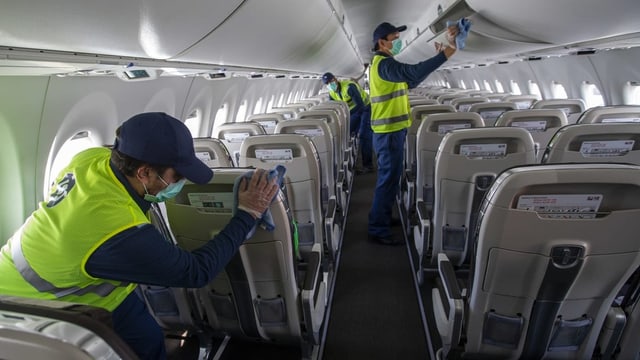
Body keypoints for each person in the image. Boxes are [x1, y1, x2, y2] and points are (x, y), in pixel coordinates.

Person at [0, 112, 279, 359]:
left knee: (148, 339)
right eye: (177, 176)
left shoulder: (91, 157)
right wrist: (247, 213)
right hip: (37, 306)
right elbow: (197, 272)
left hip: (76, 279)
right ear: (144, 172)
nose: (182, 183)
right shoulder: (119, 232)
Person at [368, 21, 460, 245]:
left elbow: (412, 79)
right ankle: (377, 228)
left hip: (393, 130)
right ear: (382, 42)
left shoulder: (388, 64)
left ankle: (382, 217)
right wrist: (447, 52)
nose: (398, 42)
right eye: (395, 38)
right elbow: (412, 71)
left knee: (392, 178)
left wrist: (438, 60)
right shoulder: (383, 64)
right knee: (387, 179)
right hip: (387, 131)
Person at [322, 72, 374, 172]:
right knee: (346, 133)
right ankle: (344, 164)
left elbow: (360, 105)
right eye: (327, 83)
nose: (330, 84)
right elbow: (334, 109)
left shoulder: (349, 87)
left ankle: (368, 165)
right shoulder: (332, 93)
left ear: (335, 79)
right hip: (353, 112)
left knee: (364, 135)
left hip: (365, 109)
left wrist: (345, 114)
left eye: (331, 81)